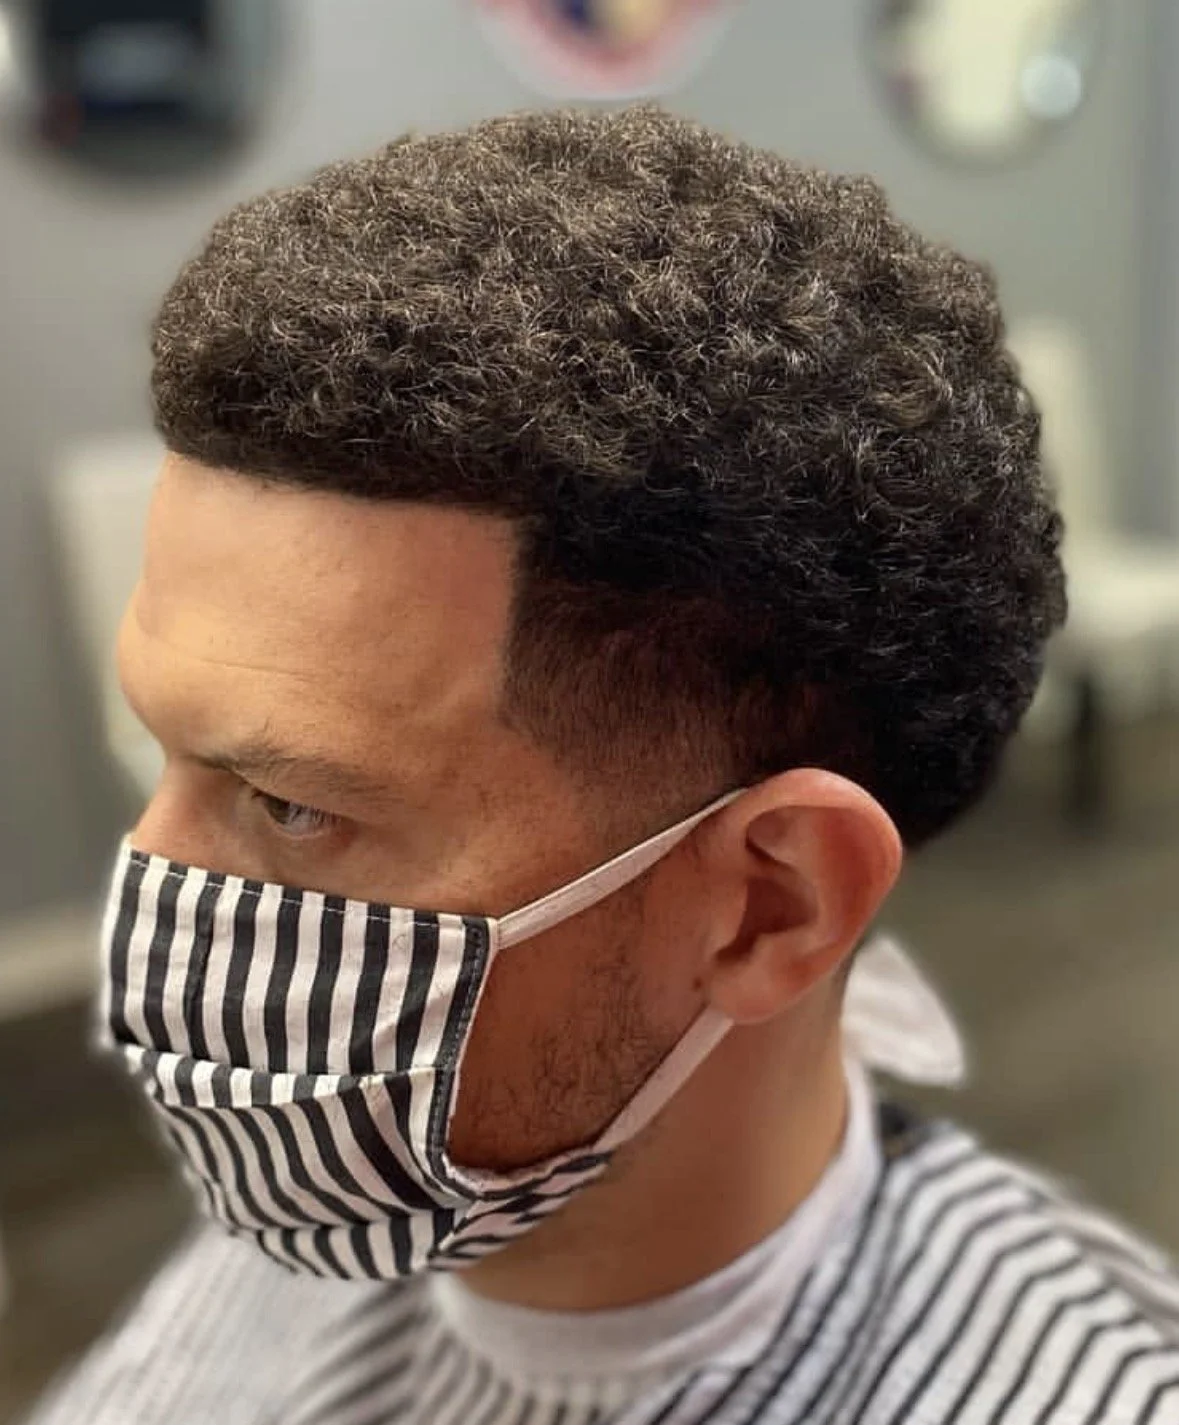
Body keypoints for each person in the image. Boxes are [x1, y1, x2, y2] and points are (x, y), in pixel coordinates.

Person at [28, 107, 1179, 1425]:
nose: (145, 905)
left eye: (289, 805)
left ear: (771, 904)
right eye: (163, 754)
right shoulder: (325, 1199)